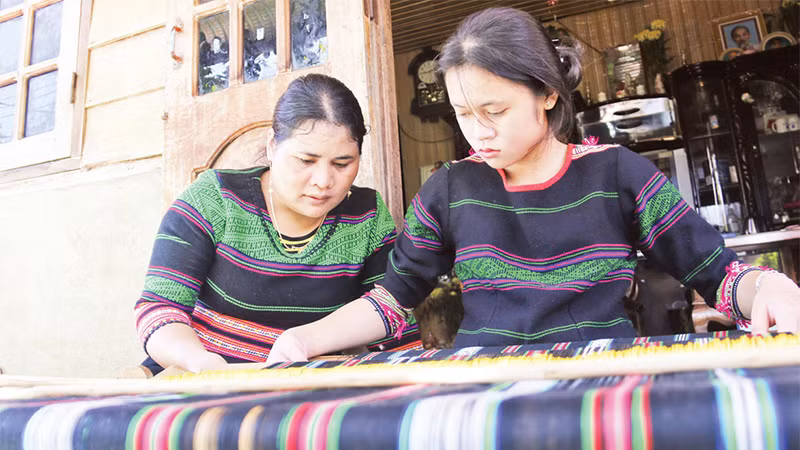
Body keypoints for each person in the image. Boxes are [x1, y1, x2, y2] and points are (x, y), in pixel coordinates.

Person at [266, 7, 800, 364]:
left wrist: (769, 289)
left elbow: (717, 272)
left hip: (599, 380)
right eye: (463, 113)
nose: (478, 130)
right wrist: (304, 339)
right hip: (484, 383)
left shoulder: (617, 173)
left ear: (547, 93)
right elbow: (392, 299)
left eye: (495, 110)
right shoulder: (451, 188)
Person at [134, 74, 420, 374]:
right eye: (306, 160)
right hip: (200, 375)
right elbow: (159, 309)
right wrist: (203, 365)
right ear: (272, 146)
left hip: (304, 387)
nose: (323, 181)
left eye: (342, 163)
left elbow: (391, 313)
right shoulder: (215, 200)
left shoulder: (366, 217)